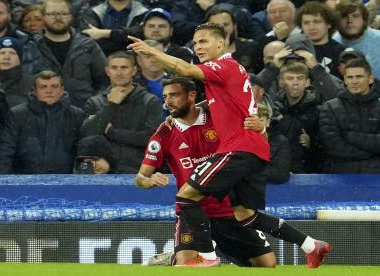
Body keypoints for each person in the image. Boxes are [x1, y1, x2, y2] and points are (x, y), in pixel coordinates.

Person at [128, 22, 332, 268]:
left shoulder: (226, 66)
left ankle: (209, 258)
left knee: (185, 197)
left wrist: (152, 52)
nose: (198, 47)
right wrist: (262, 128)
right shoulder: (221, 82)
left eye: (204, 41)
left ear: (221, 44)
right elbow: (235, 108)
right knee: (244, 214)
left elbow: (184, 68)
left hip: (238, 148)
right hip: (254, 148)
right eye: (195, 43)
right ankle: (311, 245)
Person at [136, 77, 277, 267]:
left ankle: (218, 249)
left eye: (174, 95)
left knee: (266, 264)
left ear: (192, 95)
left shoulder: (219, 119)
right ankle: (176, 257)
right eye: (165, 96)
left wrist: (261, 130)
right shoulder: (164, 134)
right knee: (187, 265)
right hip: (192, 210)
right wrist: (149, 180)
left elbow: (258, 144)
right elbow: (140, 177)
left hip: (230, 209)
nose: (168, 102)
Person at [80, 51, 163, 173]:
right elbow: (87, 134)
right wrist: (111, 105)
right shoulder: (94, 102)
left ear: (134, 71)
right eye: (114, 68)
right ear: (107, 71)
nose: (119, 73)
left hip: (140, 172)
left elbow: (152, 140)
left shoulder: (150, 101)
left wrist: (111, 132)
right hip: (104, 172)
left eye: (124, 68)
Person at [0, 70, 85, 174]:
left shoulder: (77, 115)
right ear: (35, 91)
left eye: (54, 86)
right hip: (25, 183)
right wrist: (5, 184)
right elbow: (5, 152)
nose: (49, 91)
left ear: (62, 90)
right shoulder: (17, 115)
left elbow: (83, 152)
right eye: (43, 87)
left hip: (66, 182)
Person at [319, 58, 380, 173]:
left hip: (375, 178)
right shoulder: (330, 108)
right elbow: (333, 146)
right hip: (340, 178)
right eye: (350, 77)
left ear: (370, 79)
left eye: (359, 76)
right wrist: (371, 154)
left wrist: (350, 136)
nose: (354, 81)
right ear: (344, 80)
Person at [36, 0, 108, 108]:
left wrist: (94, 104)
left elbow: (105, 80)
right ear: (43, 17)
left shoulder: (88, 46)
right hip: (41, 114)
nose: (58, 18)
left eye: (63, 14)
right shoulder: (31, 46)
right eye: (52, 14)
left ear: (71, 16)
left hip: (82, 112)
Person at [296, 1, 346, 79]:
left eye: (317, 22)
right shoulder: (296, 52)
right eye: (306, 23)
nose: (311, 27)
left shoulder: (343, 53)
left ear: (329, 24)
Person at [0, 36, 34, 107]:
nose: (6, 57)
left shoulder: (33, 84)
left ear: (20, 59)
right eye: (2, 53)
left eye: (12, 53)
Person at [134, 39, 171, 118]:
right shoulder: (130, 85)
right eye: (147, 56)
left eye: (157, 55)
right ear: (139, 60)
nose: (154, 60)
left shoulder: (180, 83)